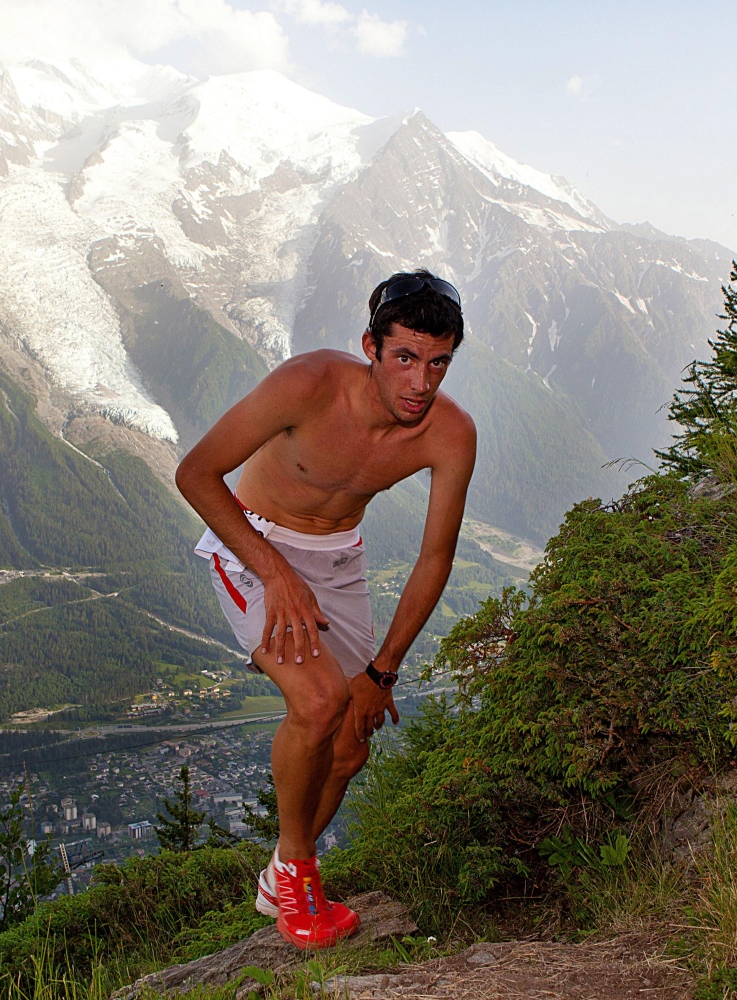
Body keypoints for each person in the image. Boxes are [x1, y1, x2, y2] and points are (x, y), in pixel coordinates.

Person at [175, 269, 476, 949]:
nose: (420, 382)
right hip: (255, 542)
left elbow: (435, 558)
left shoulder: (451, 433)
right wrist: (274, 571)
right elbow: (195, 473)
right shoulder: (308, 384)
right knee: (317, 702)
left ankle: (279, 872)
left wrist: (382, 672)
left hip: (338, 559)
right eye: (405, 358)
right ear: (371, 347)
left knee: (349, 742)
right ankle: (297, 874)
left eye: (438, 363)